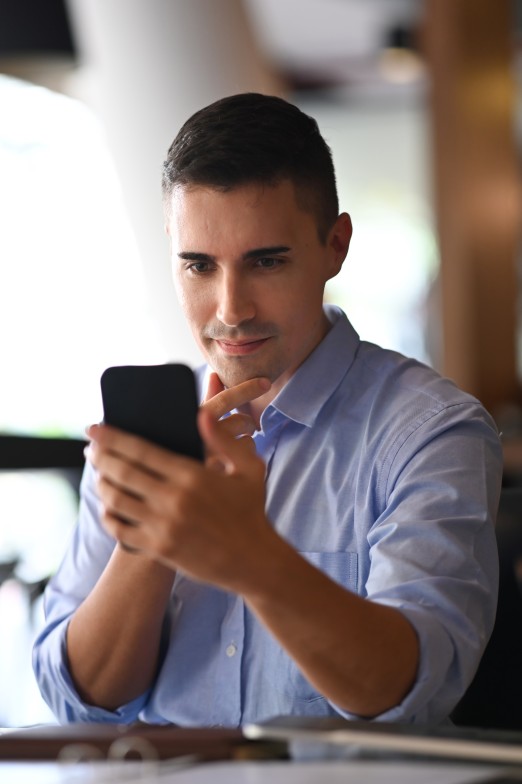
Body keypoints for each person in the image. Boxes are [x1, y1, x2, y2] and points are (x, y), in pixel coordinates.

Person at [33, 92, 502, 727]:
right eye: (199, 265)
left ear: (335, 246)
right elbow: (79, 701)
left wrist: (250, 555)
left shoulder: (433, 431)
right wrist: (153, 535)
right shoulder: (145, 435)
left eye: (267, 261)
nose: (231, 308)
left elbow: (410, 694)